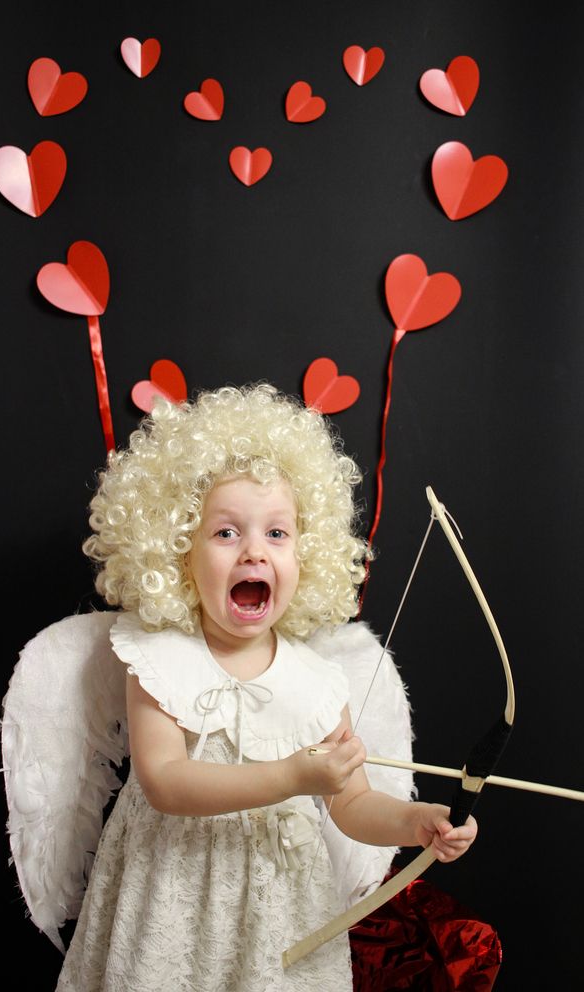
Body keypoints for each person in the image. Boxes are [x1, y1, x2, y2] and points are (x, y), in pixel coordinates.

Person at [34, 384, 476, 991]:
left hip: (279, 915)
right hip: (171, 897)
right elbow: (164, 781)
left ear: (307, 552)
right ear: (178, 552)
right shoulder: (159, 659)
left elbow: (352, 806)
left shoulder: (318, 683)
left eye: (277, 534)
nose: (253, 553)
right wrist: (291, 776)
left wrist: (417, 822)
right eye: (225, 533)